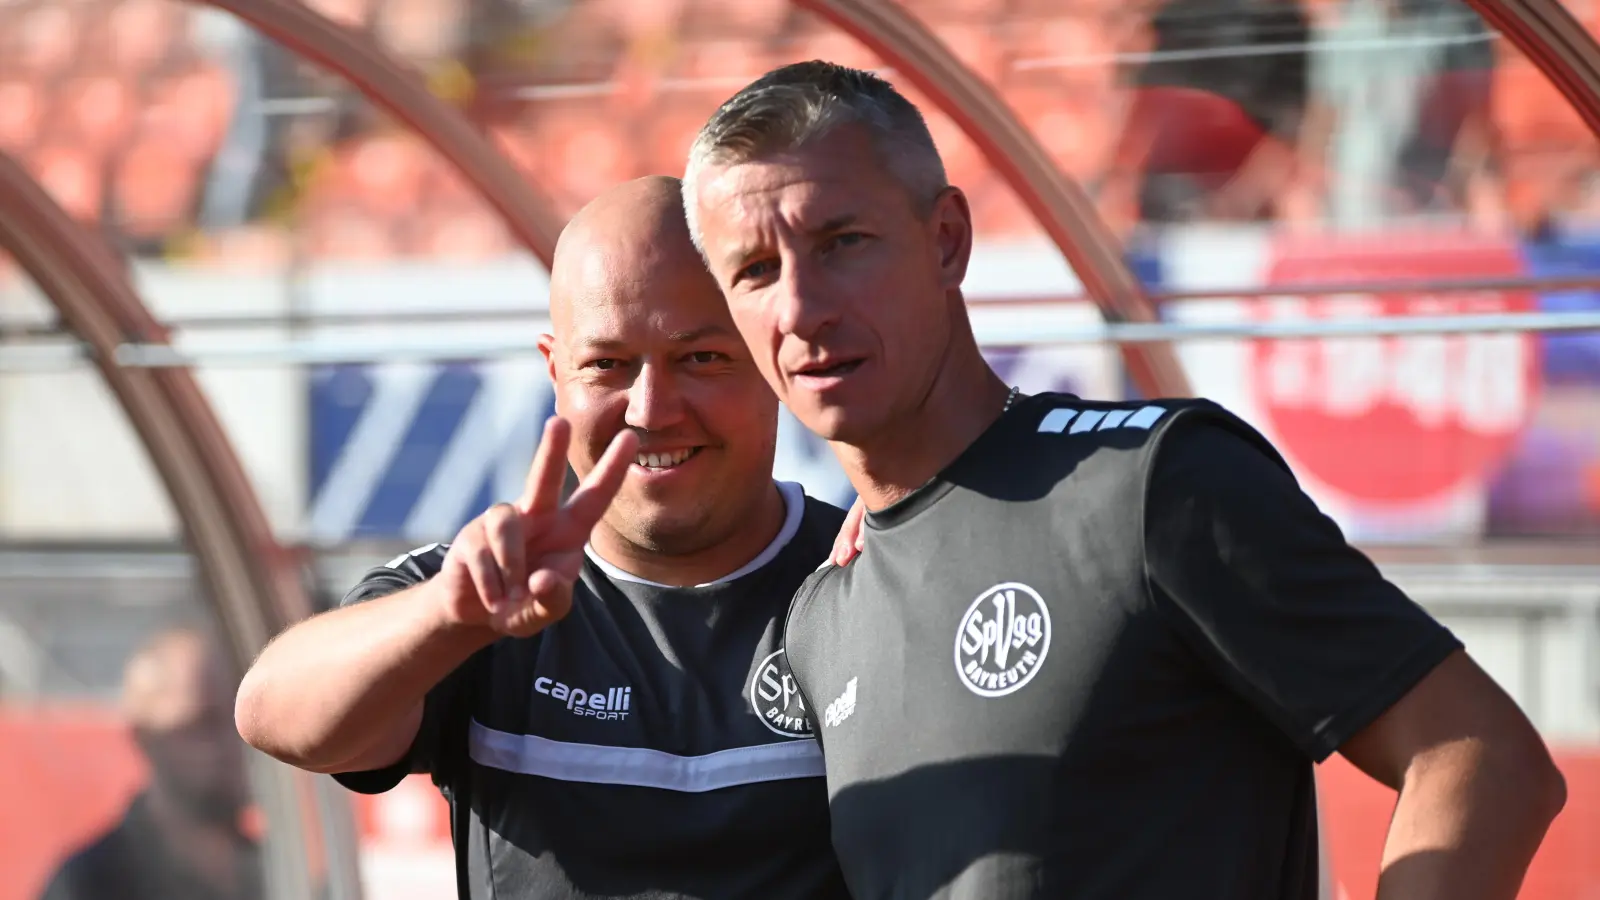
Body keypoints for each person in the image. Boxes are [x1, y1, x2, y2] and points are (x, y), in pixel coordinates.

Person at [683, 60, 1567, 900]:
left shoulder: (1146, 486)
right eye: (755, 272)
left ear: (946, 240)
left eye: (842, 242)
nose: (800, 307)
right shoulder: (823, 618)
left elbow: (1477, 755)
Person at [234, 176, 852, 900]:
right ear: (555, 370)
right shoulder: (481, 591)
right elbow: (274, 712)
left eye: (701, 358)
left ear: (770, 361)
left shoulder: (860, 576)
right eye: (608, 365)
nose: (651, 410)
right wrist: (450, 618)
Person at [43, 627, 262, 900]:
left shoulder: (278, 869)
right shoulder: (92, 882)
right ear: (145, 736)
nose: (232, 744)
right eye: (204, 724)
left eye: (242, 723)